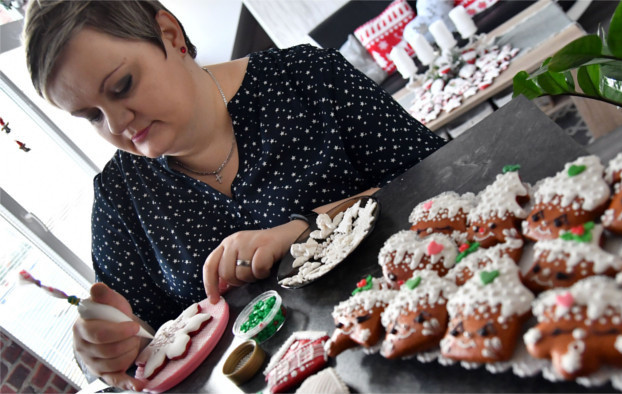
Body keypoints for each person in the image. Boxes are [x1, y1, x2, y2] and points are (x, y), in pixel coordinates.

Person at [23, 0, 445, 389]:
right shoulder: (119, 199)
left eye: (123, 85)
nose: (116, 124)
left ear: (169, 34)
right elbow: (140, 338)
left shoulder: (307, 78)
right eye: (91, 116)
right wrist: (102, 350)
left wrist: (307, 231)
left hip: (420, 341)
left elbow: (442, 174)